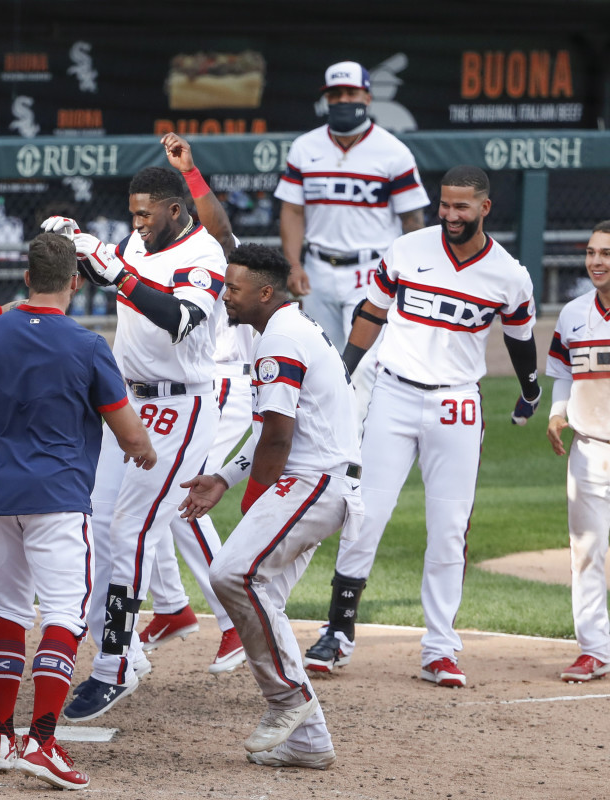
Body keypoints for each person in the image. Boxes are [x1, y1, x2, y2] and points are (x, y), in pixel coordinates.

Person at [304, 166, 541, 686]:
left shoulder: (508, 273)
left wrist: (530, 389)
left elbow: (520, 338)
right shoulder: (407, 250)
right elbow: (372, 311)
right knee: (365, 513)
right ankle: (338, 632)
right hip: (394, 391)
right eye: (445, 205)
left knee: (450, 529)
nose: (451, 215)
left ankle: (439, 648)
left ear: (485, 208)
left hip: (457, 403)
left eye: (462, 207)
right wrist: (345, 370)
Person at [0, 233, 156, 789]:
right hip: (57, 496)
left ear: (26, 278)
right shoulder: (87, 345)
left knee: (9, 609)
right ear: (75, 282)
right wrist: (146, 449)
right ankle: (43, 742)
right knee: (63, 614)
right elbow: (128, 433)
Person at [41, 164, 227, 723]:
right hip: (129, 400)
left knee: (134, 529)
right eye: (132, 214)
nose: (137, 223)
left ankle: (114, 664)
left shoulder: (205, 256)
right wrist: (74, 242)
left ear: (176, 209)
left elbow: (180, 319)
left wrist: (112, 267)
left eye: (145, 214)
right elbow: (112, 273)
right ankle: (122, 648)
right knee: (94, 524)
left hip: (181, 403)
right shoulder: (137, 244)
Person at [180, 243, 361, 770]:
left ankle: (290, 701)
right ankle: (310, 743)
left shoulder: (279, 338)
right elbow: (266, 426)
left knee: (233, 574)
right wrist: (222, 477)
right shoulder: (286, 329)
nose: (223, 295)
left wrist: (256, 499)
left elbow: (278, 437)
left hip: (312, 483)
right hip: (324, 482)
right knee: (263, 602)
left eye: (232, 288)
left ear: (264, 291)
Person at [141, 132, 251, 674]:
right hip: (192, 382)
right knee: (147, 497)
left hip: (222, 381)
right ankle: (171, 605)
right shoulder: (160, 250)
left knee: (184, 499)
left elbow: (223, 229)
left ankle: (232, 622)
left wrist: (190, 172)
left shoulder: (216, 251)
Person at [275, 60, 428, 350]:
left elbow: (412, 220)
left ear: (367, 98)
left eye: (351, 93)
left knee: (366, 364)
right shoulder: (304, 147)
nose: (343, 100)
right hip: (318, 268)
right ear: (327, 98)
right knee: (320, 359)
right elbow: (292, 211)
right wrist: (294, 265)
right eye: (336, 94)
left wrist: (410, 272)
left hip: (371, 267)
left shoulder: (394, 151)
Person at [546, 220, 610, 683]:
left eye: (606, 253)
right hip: (589, 449)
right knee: (586, 552)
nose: (596, 261)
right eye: (591, 253)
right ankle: (593, 650)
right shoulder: (572, 314)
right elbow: (563, 371)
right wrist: (557, 411)